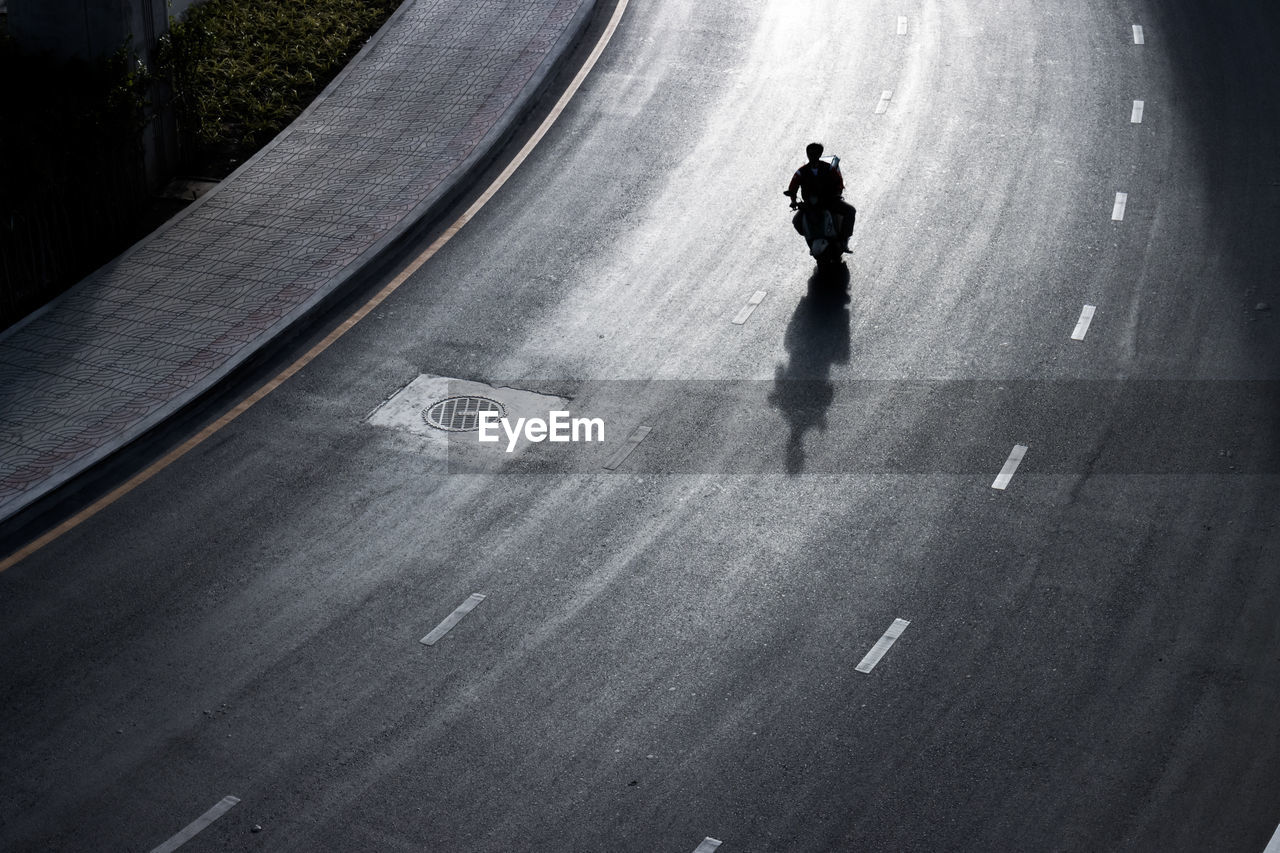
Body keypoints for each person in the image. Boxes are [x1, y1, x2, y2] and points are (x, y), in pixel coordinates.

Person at [783, 142, 856, 252]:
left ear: (819, 154)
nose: (812, 157)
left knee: (850, 211)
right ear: (807, 155)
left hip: (828, 201)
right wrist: (793, 201)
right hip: (810, 205)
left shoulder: (829, 168)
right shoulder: (801, 172)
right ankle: (811, 241)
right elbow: (792, 188)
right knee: (796, 221)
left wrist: (836, 194)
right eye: (810, 154)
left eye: (815, 154)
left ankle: (844, 240)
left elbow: (839, 182)